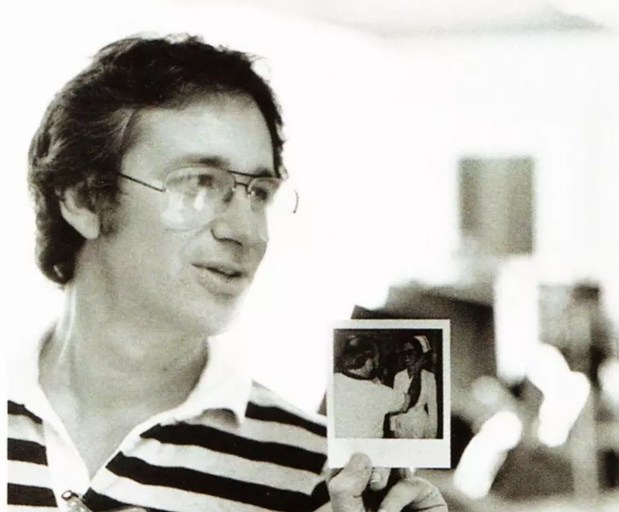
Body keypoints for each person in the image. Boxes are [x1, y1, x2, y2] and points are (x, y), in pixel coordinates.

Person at [8, 34, 445, 512]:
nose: (247, 232)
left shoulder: (324, 482)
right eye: (199, 182)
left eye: (258, 193)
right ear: (83, 198)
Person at [332, 335, 422, 438]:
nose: (377, 364)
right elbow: (411, 399)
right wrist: (417, 372)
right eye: (376, 360)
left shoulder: (333, 380)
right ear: (368, 362)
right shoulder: (380, 393)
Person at [389, 335, 439, 439]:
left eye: (410, 352)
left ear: (419, 353)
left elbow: (433, 408)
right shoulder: (398, 376)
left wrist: (432, 435)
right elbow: (394, 403)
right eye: (404, 353)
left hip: (419, 425)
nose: (406, 356)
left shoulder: (428, 377)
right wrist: (392, 428)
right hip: (402, 424)